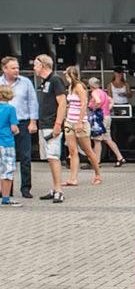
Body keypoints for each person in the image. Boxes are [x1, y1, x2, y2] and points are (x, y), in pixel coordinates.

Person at [1, 56, 38, 198]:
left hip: (22, 123)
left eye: (17, 67)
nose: (17, 70)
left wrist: (33, 121)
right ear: (4, 69)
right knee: (5, 158)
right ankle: (6, 190)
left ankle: (26, 188)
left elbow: (33, 102)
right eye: (13, 68)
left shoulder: (26, 82)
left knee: (25, 157)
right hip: (4, 125)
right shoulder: (0, 83)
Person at [33, 55, 67, 203]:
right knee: (49, 157)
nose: (34, 68)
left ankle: (59, 190)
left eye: (35, 64)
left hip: (52, 125)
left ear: (43, 65)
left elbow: (62, 103)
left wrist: (58, 124)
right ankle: (55, 188)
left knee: (54, 157)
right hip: (44, 124)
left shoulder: (55, 80)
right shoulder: (45, 82)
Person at [62, 67, 102, 186]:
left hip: (80, 122)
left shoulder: (79, 86)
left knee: (88, 150)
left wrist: (80, 122)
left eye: (66, 75)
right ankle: (73, 178)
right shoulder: (70, 87)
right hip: (70, 121)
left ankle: (98, 174)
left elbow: (84, 104)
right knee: (72, 151)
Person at [88, 77, 126, 167]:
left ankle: (97, 162)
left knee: (97, 140)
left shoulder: (94, 92)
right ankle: (120, 157)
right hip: (107, 116)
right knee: (107, 139)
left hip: (100, 119)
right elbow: (111, 101)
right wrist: (107, 109)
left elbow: (98, 101)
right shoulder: (103, 92)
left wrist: (95, 108)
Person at [0, 84, 21, 207]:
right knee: (7, 170)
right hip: (7, 142)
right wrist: (17, 131)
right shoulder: (10, 109)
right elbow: (14, 128)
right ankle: (6, 198)